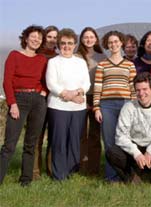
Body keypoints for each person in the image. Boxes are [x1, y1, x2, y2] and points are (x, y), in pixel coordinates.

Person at [106, 72, 151, 184]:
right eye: (138, 90)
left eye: (145, 89)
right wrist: (136, 153)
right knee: (112, 153)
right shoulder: (128, 108)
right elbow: (120, 136)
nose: (141, 93)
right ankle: (132, 178)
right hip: (136, 149)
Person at [0, 25, 48, 186]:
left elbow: (46, 80)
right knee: (9, 144)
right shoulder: (14, 55)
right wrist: (12, 103)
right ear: (26, 38)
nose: (36, 40)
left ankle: (26, 180)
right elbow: (7, 81)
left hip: (38, 101)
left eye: (39, 38)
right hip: (18, 99)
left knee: (31, 143)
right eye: (33, 36)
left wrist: (43, 92)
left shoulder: (42, 59)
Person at [46, 28, 90, 180]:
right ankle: (59, 175)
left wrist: (79, 92)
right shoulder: (53, 62)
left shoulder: (81, 62)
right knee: (59, 141)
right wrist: (71, 96)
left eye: (70, 43)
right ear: (58, 44)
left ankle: (71, 171)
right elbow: (51, 84)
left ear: (75, 44)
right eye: (63, 43)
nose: (66, 46)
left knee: (74, 141)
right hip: (58, 107)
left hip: (78, 108)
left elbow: (87, 83)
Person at [93, 31, 136, 181]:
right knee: (110, 141)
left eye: (116, 41)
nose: (114, 44)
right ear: (107, 45)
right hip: (107, 106)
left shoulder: (130, 65)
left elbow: (133, 88)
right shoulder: (102, 65)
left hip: (126, 105)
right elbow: (98, 87)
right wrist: (97, 108)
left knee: (126, 140)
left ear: (121, 43)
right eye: (110, 42)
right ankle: (111, 176)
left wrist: (135, 107)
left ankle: (128, 174)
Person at [76, 27, 106, 176]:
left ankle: (94, 168)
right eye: (85, 37)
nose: (88, 39)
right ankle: (82, 165)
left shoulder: (102, 56)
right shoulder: (76, 56)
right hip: (79, 97)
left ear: (96, 39)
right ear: (81, 39)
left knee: (95, 133)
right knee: (81, 134)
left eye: (91, 37)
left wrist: (98, 101)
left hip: (96, 97)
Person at [33, 25, 59, 180]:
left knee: (53, 137)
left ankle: (51, 169)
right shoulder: (37, 55)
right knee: (37, 135)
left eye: (55, 37)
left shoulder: (58, 57)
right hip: (40, 99)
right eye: (49, 37)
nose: (52, 40)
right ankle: (35, 171)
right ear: (44, 38)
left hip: (55, 100)